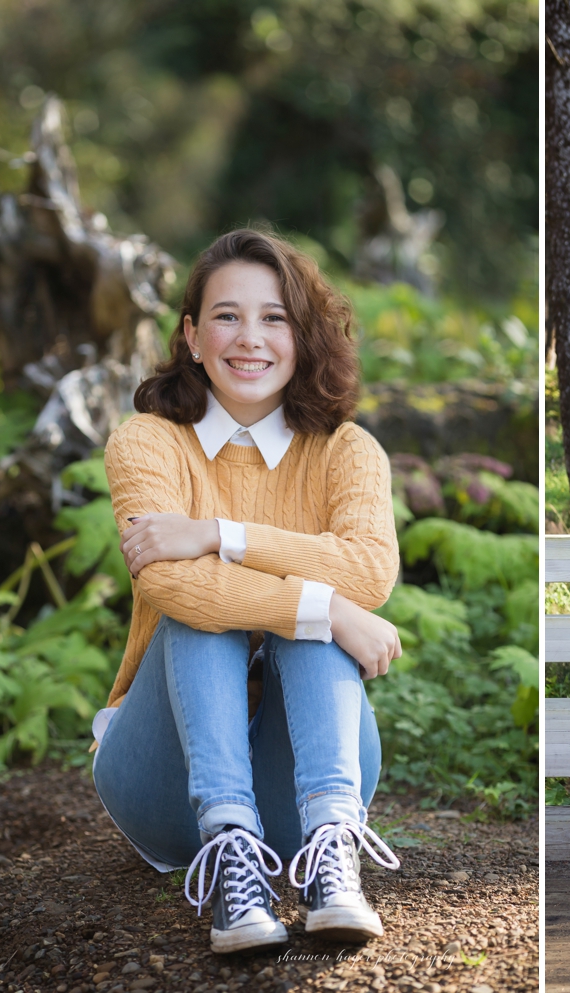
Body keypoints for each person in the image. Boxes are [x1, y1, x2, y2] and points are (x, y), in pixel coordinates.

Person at [90, 229, 407, 954]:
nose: (250, 338)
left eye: (274, 318)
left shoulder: (347, 451)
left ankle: (333, 849)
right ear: (192, 336)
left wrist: (218, 534)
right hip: (164, 778)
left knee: (307, 621)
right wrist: (323, 605)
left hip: (302, 776)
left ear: (302, 335)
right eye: (227, 316)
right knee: (208, 617)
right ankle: (229, 849)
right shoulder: (146, 442)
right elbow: (172, 585)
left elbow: (369, 572)